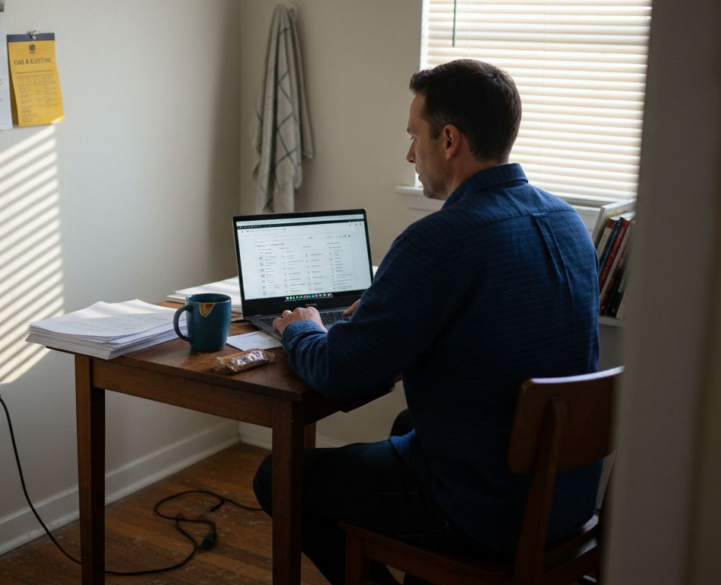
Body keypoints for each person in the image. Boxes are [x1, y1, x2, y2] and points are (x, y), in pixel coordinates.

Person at [252, 59, 602, 585]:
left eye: (416, 137)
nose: (410, 154)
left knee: (279, 477)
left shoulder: (439, 240)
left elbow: (339, 371)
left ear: (450, 140)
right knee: (407, 425)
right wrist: (384, 314)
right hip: (564, 496)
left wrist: (300, 327)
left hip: (487, 511)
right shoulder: (566, 219)